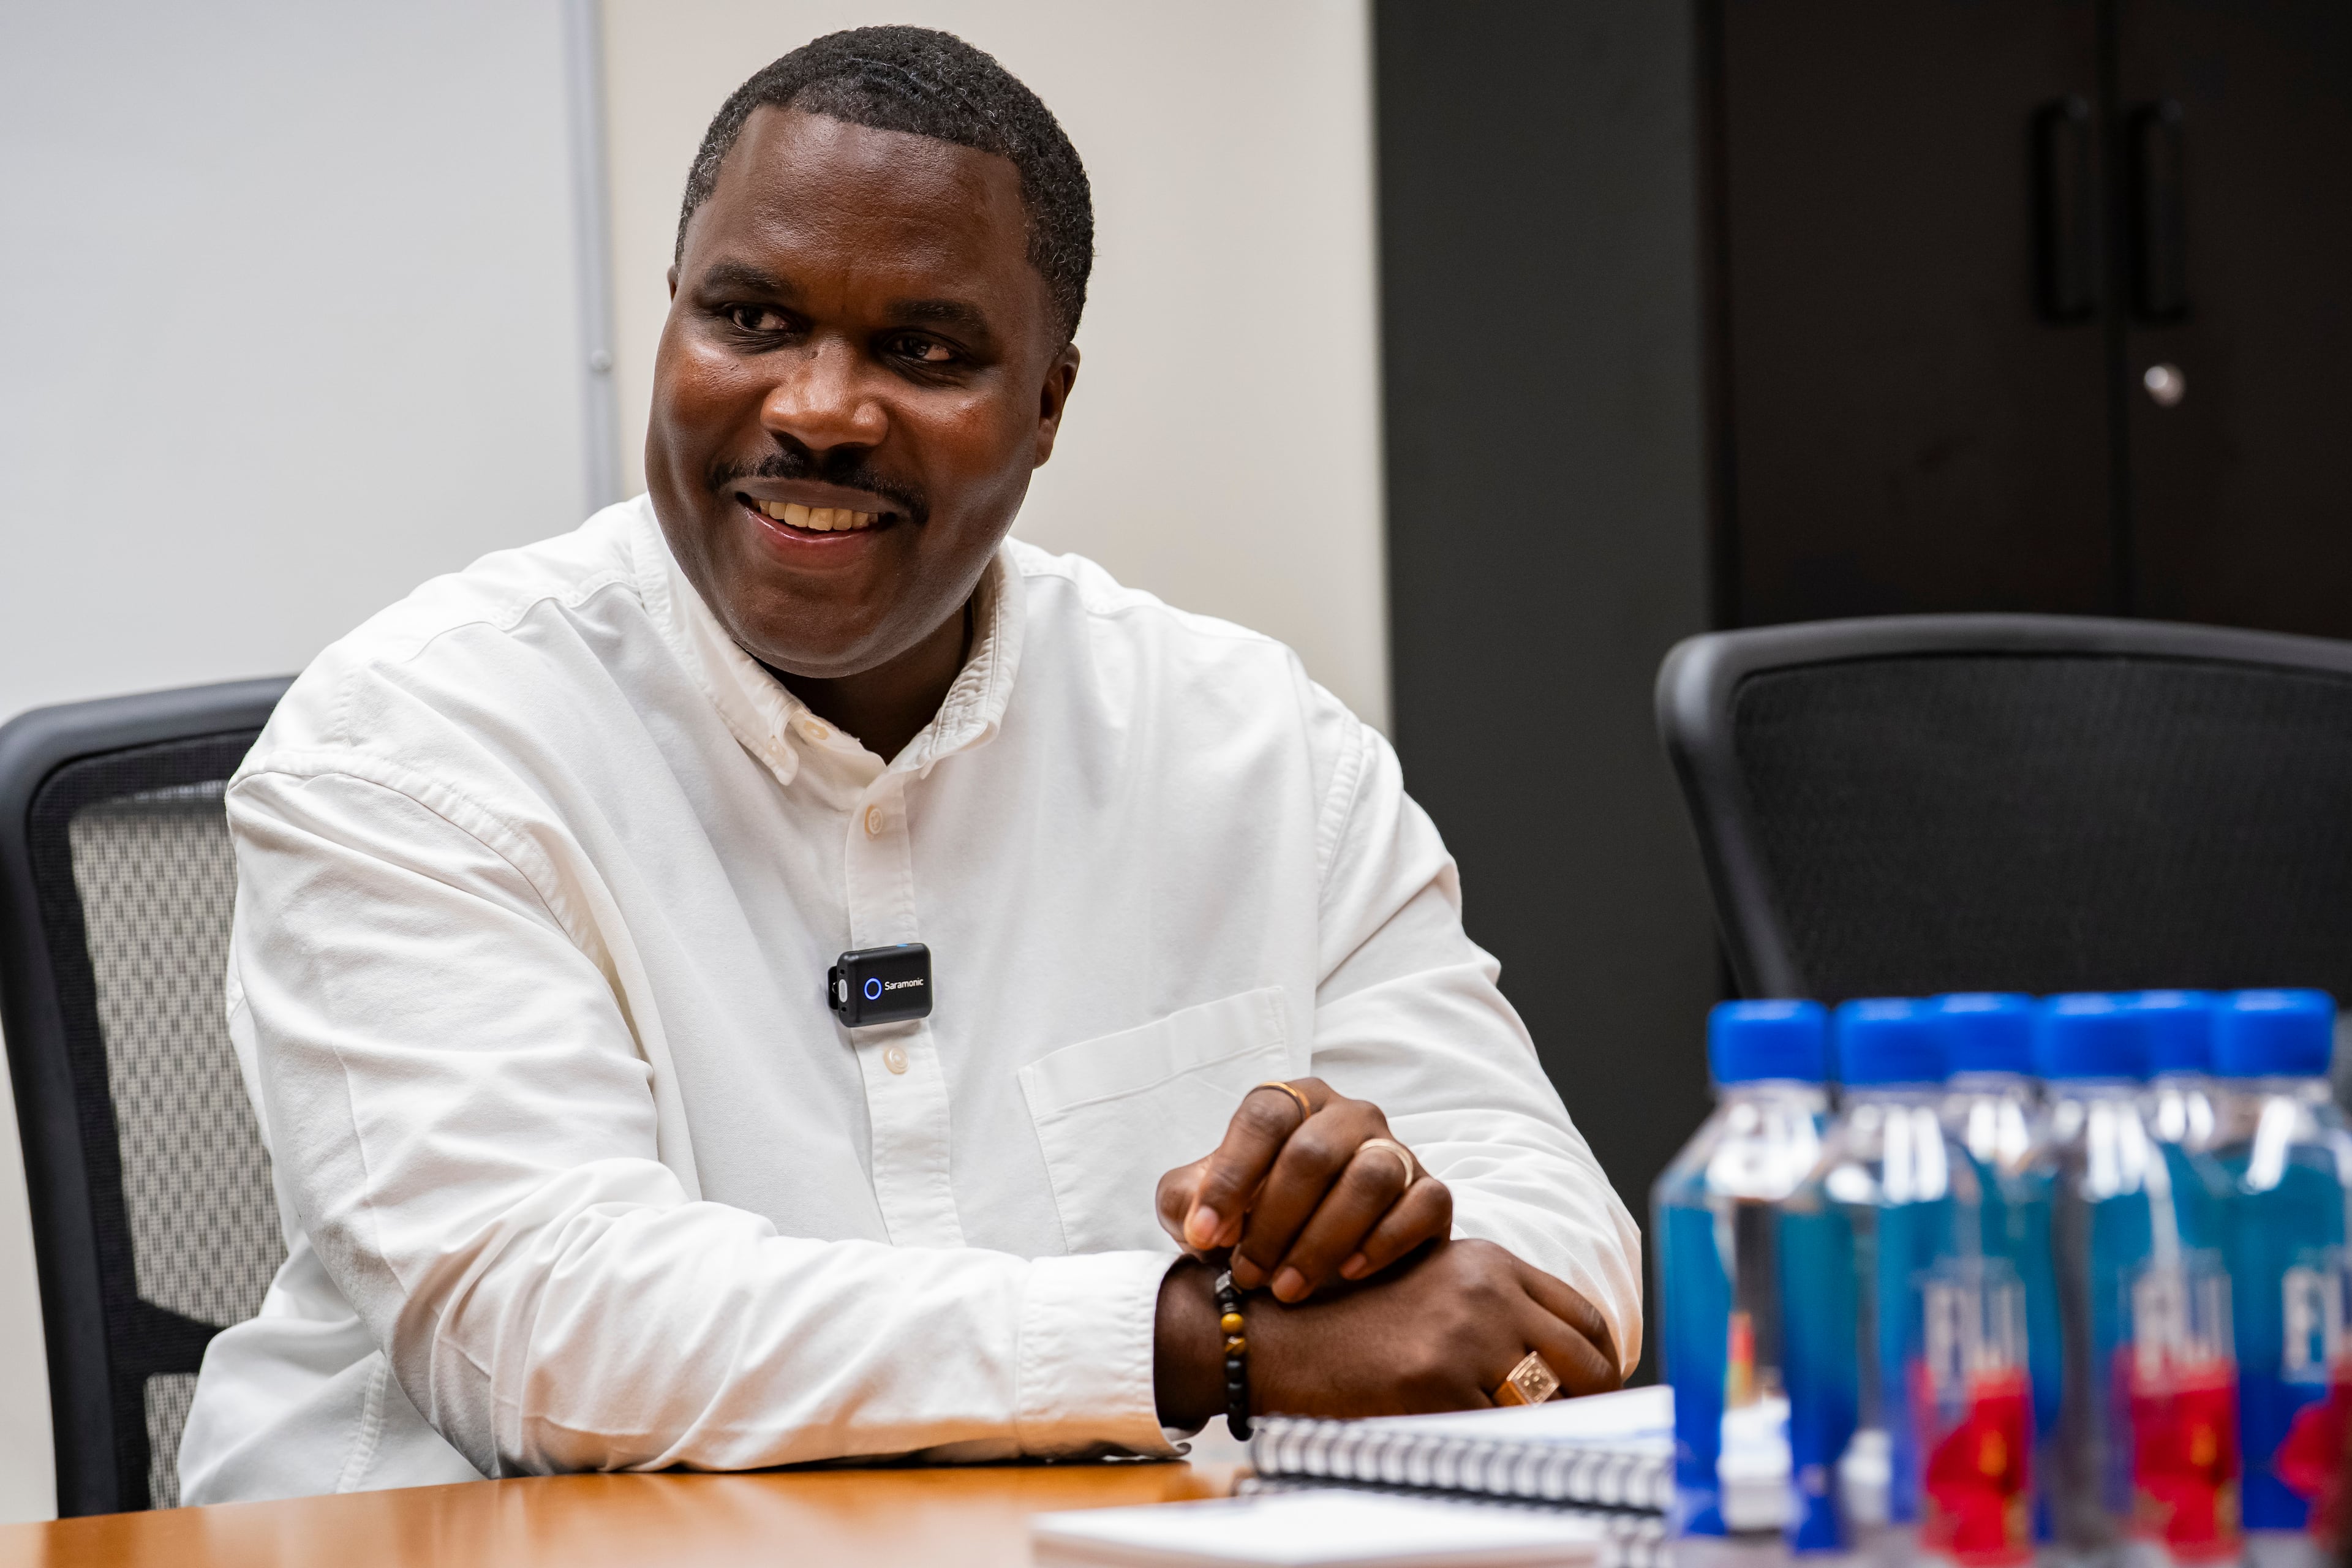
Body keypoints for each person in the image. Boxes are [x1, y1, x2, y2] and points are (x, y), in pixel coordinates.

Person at [178, 26, 1640, 1502]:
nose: (818, 408)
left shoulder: (1251, 742)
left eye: (923, 351)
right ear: (671, 319)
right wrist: (1210, 1337)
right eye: (749, 319)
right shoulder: (413, 745)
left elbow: (1557, 1248)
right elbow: (552, 1331)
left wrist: (1385, 1235)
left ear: (1050, 402)